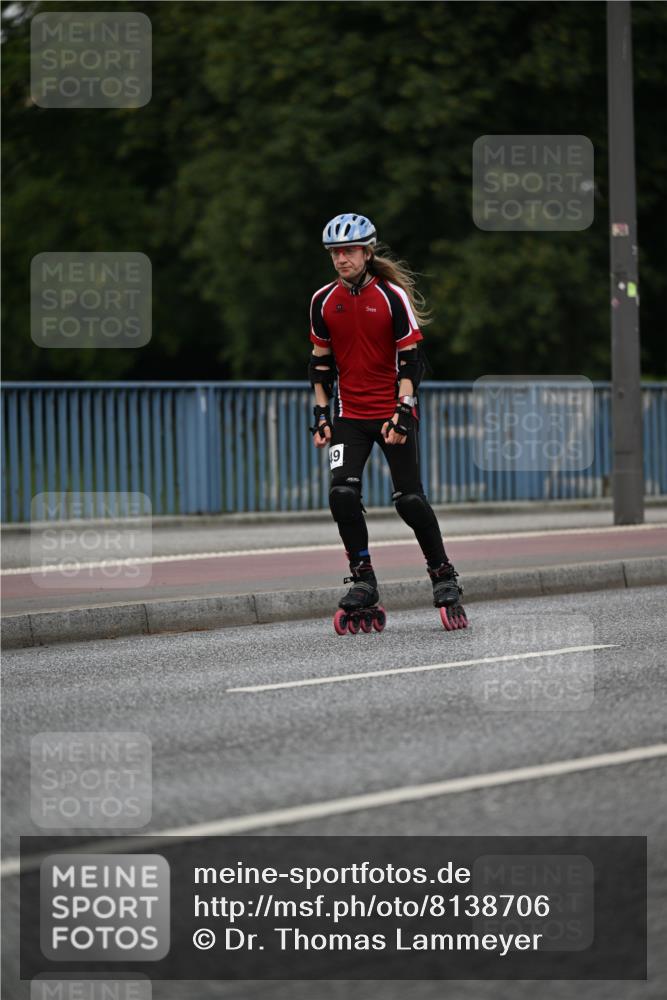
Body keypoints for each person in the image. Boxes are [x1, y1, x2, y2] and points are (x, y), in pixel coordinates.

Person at [308, 212, 466, 625]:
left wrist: (402, 411)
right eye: (335, 252)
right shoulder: (322, 301)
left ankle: (443, 575)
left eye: (348, 251)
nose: (341, 259)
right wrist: (320, 413)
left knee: (409, 500)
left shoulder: (392, 296)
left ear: (366, 252)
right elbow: (320, 364)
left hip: (392, 413)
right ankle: (363, 579)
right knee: (341, 494)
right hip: (349, 415)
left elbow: (412, 361)